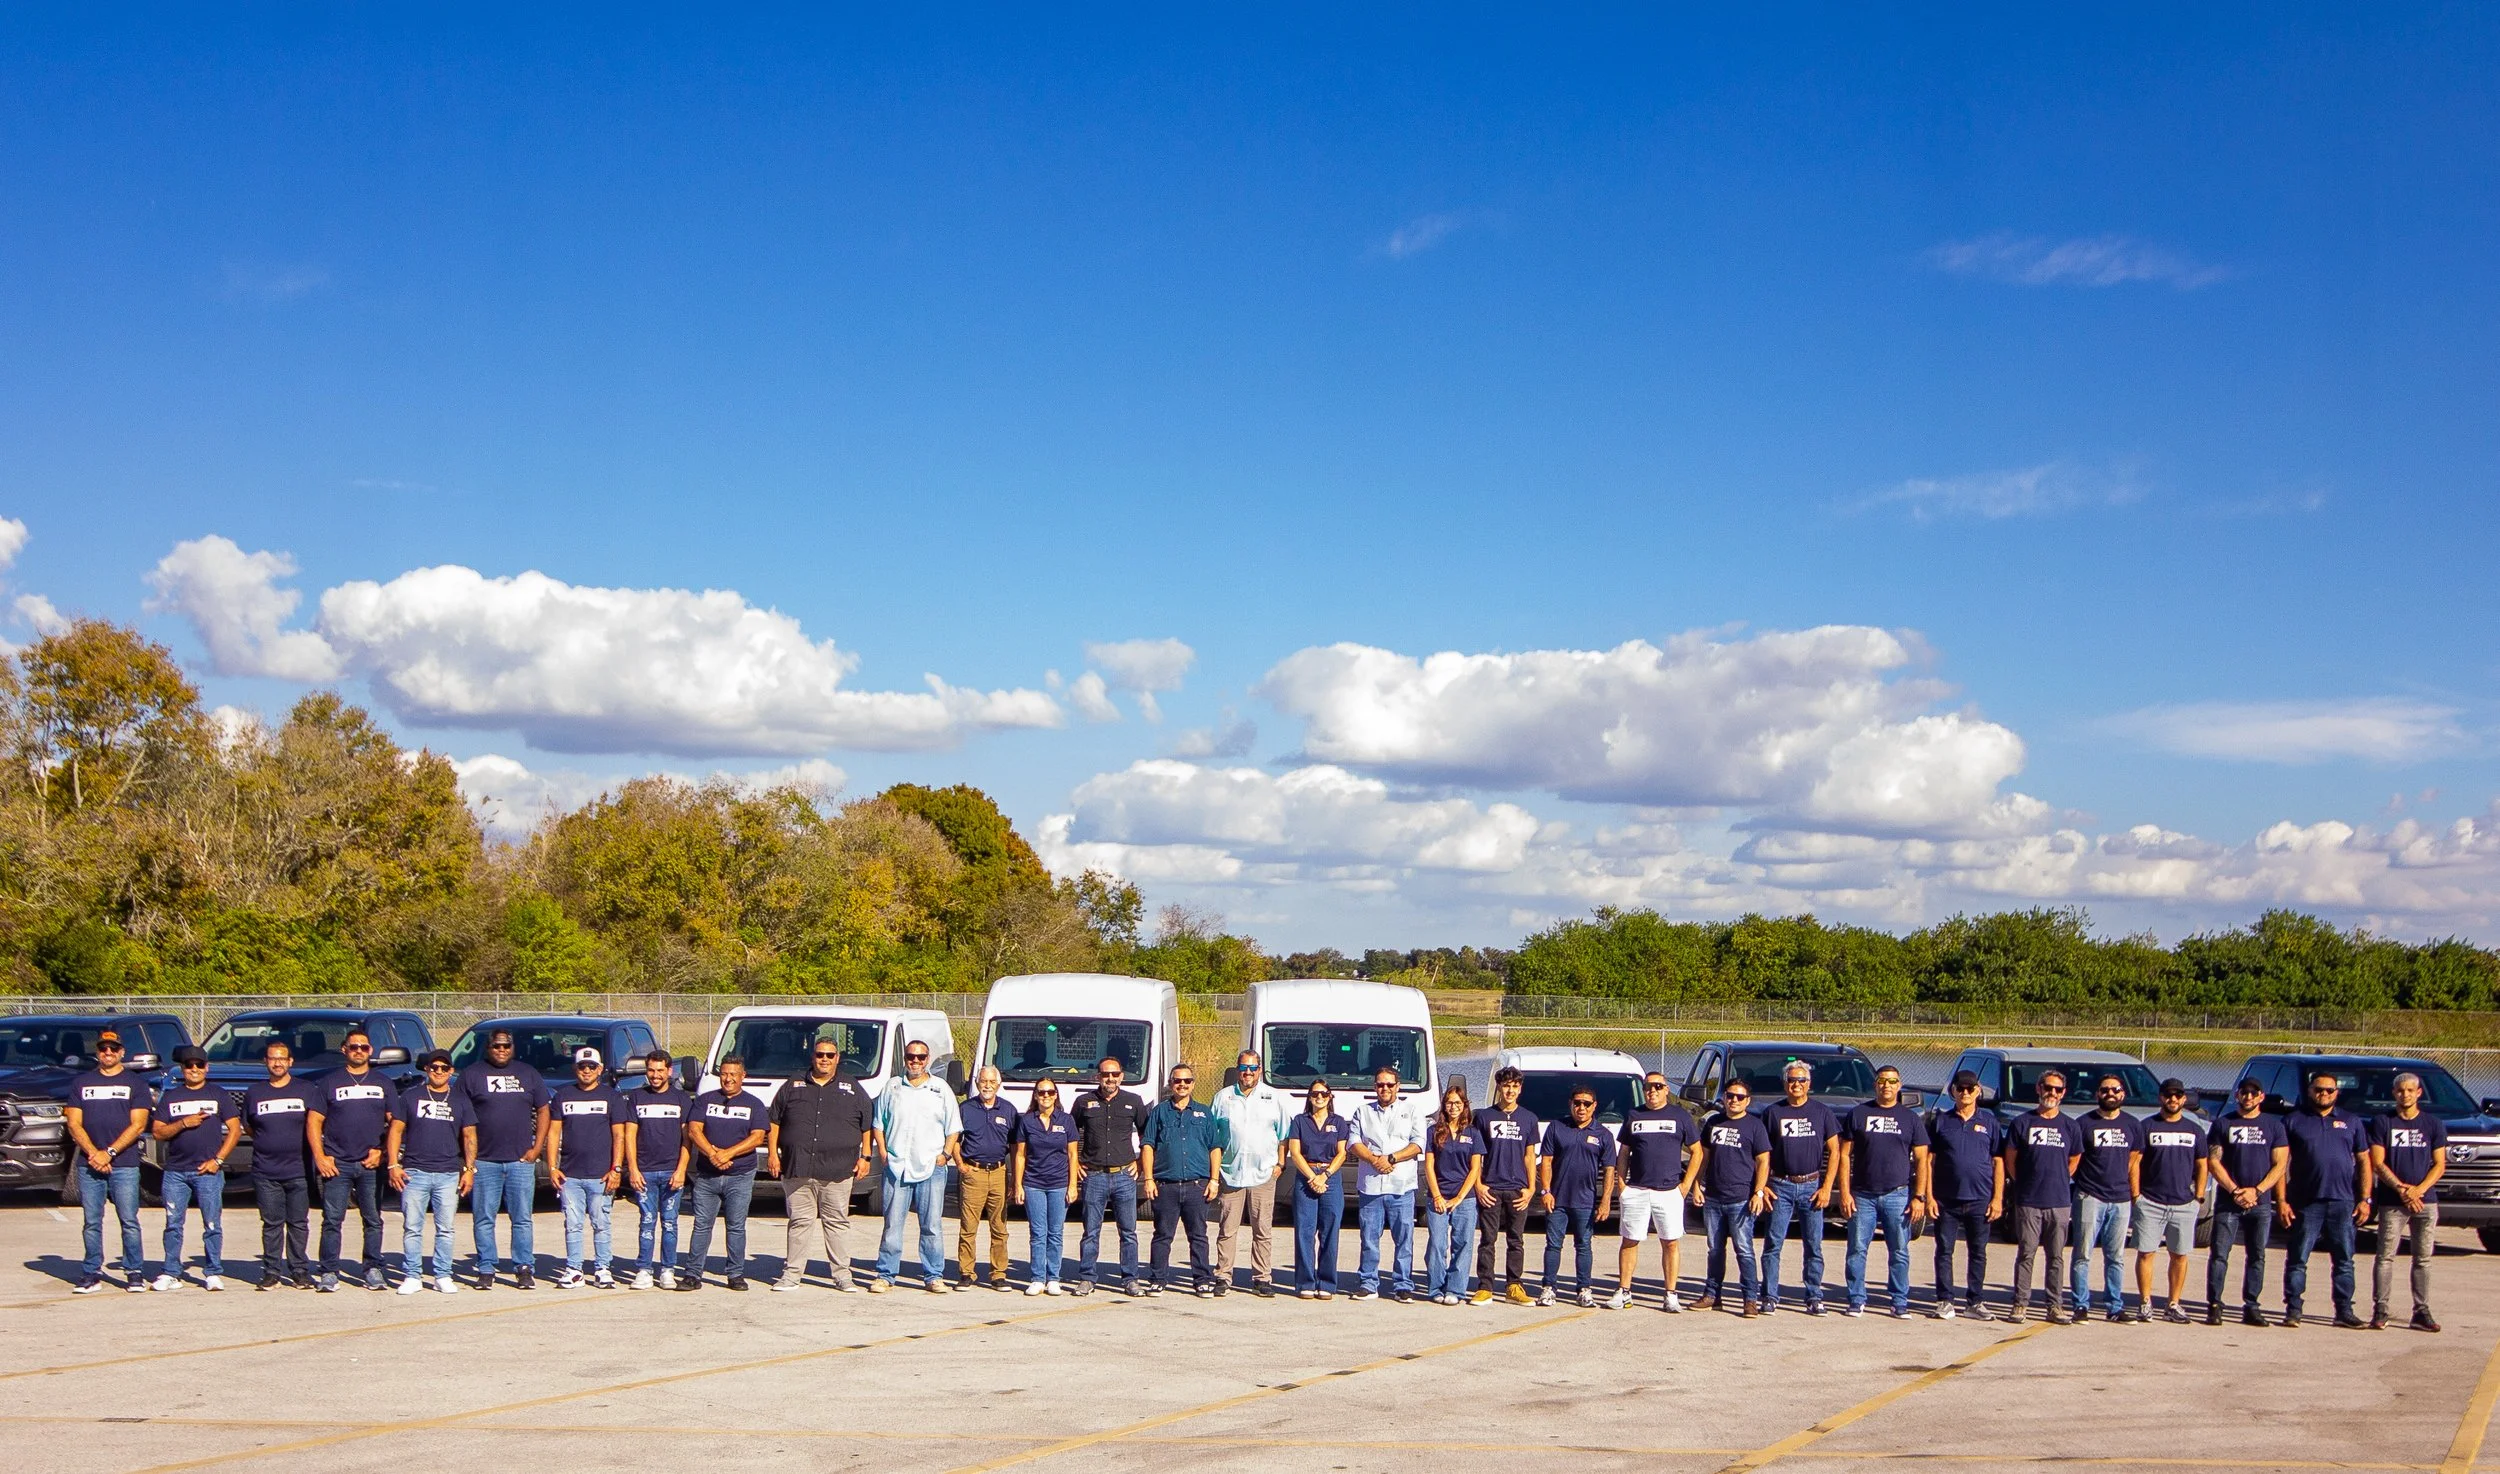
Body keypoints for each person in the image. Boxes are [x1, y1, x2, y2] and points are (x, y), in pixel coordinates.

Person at [764, 1035, 875, 1293]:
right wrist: (772, 1154)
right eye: (820, 1054)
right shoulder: (793, 1084)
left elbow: (867, 1123)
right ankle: (791, 1276)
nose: (824, 1059)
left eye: (829, 1055)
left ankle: (843, 1276)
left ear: (837, 1058)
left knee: (836, 1223)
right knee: (799, 1223)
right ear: (812, 1056)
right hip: (798, 1168)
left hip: (837, 1170)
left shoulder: (851, 1086)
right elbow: (774, 1121)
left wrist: (866, 1156)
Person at [307, 1027, 398, 1292]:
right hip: (337, 1164)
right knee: (332, 1220)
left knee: (373, 1220)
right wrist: (320, 1157)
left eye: (364, 1047)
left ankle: (372, 1269)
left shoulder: (383, 1083)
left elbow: (396, 1122)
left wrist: (382, 1151)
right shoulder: (329, 1082)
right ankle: (329, 1271)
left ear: (371, 1051)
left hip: (370, 1164)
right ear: (344, 1050)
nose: (359, 1051)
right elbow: (314, 1121)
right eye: (354, 1047)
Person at [2279, 1070, 2371, 1329]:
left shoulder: (2351, 1121)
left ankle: (2344, 1311)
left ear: (2336, 1093)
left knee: (2344, 1260)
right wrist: (2282, 1200)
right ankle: (2293, 1310)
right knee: (2298, 1259)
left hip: (2343, 1202)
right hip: (2306, 1202)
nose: (2324, 1094)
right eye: (2318, 1089)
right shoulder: (2294, 1121)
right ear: (2309, 1091)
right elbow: (2280, 1163)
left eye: (2329, 1090)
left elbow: (2364, 1161)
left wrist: (2365, 1199)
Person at [460, 1028, 550, 1290]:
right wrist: (468, 1161)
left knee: (522, 1218)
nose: (501, 1050)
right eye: (496, 1046)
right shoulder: (472, 1075)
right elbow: (461, 1116)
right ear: (488, 1047)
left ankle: (524, 1267)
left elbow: (544, 1110)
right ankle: (486, 1268)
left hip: (520, 1161)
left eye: (506, 1046)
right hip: (484, 1161)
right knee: (483, 1218)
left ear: (513, 1047)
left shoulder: (527, 1073)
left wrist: (537, 1147)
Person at [65, 1027, 154, 1294]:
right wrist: (94, 1153)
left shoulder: (135, 1084)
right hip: (90, 1163)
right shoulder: (82, 1083)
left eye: (113, 1049)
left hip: (124, 1164)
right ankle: (91, 1273)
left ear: (121, 1052)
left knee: (128, 1220)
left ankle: (134, 1272)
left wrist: (110, 1153)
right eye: (103, 1048)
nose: (108, 1052)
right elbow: (74, 1123)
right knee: (92, 1221)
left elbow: (138, 1125)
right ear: (97, 1052)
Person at [1838, 1064, 1930, 1319]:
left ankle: (1899, 1301)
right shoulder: (1858, 1114)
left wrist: (1919, 1196)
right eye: (1882, 1081)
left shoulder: (1910, 1118)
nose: (1886, 1086)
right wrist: (1845, 1193)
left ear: (1899, 1085)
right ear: (1875, 1084)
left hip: (1897, 1195)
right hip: (1863, 1195)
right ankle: (1856, 1299)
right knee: (1857, 1249)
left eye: (1891, 1081)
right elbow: (1844, 1156)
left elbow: (1922, 1160)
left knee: (1899, 1250)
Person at [873, 1040, 962, 1293]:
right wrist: (883, 1153)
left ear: (927, 1059)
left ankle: (933, 1275)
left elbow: (953, 1127)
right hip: (897, 1166)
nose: (915, 1061)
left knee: (931, 1226)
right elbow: (878, 1123)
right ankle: (885, 1274)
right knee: (892, 1224)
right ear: (905, 1058)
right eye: (911, 1056)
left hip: (931, 1167)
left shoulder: (940, 1089)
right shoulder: (892, 1087)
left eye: (921, 1057)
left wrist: (945, 1154)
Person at [151, 1044, 240, 1291]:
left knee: (212, 1224)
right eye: (189, 1065)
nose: (194, 1069)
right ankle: (171, 1272)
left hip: (208, 1171)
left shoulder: (218, 1094)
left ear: (206, 1068)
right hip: (176, 1172)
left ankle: (212, 1272)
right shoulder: (171, 1096)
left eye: (199, 1065)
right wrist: (183, 1123)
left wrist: (218, 1160)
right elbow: (157, 1132)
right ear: (182, 1069)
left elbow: (235, 1129)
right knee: (173, 1224)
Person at [387, 1050, 475, 1295]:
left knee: (445, 1228)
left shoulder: (460, 1100)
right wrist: (393, 1164)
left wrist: (469, 1169)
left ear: (451, 1071)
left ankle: (443, 1275)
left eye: (444, 1068)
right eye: (434, 1067)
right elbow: (395, 1131)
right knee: (412, 1227)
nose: (439, 1071)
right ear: (426, 1069)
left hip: (448, 1173)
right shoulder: (411, 1096)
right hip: (415, 1172)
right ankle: (412, 1275)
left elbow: (469, 1136)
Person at [1758, 1061, 1842, 1315]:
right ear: (1785, 1083)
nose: (1796, 1085)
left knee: (1813, 1245)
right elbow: (1761, 1153)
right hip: (1780, 1186)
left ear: (1809, 1084)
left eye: (1801, 1080)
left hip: (1811, 1187)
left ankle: (1814, 1296)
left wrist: (1827, 1187)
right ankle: (1769, 1296)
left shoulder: (1822, 1112)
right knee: (1773, 1244)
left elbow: (1835, 1151)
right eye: (1792, 1080)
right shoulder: (1773, 1113)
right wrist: (1763, 1186)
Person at [2206, 1076, 2289, 1326]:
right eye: (2245, 1092)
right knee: (2220, 1255)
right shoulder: (2223, 1123)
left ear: (2261, 1096)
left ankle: (2251, 1306)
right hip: (2228, 1202)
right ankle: (2214, 1305)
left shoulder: (2274, 1126)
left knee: (2257, 1255)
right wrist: (2235, 1190)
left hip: (2259, 1204)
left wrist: (2257, 1191)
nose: (2249, 1097)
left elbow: (2280, 1165)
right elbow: (2213, 1161)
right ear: (2237, 1095)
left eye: (2254, 1093)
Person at [1923, 1070, 2005, 1320]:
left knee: (1978, 1251)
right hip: (1946, 1200)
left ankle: (1975, 1302)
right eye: (1961, 1088)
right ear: (1953, 1091)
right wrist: (1929, 1196)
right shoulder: (1941, 1121)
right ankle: (1945, 1300)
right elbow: (1928, 1160)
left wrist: (1997, 1198)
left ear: (1978, 1091)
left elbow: (1998, 1161)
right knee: (1944, 1250)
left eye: (1970, 1089)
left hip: (1980, 1199)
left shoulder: (1989, 1122)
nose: (1965, 1093)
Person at [1615, 1072, 1700, 1313]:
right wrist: (1621, 1184)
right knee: (1629, 1240)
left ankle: (1671, 1294)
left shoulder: (1680, 1115)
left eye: (1658, 1086)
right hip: (1637, 1190)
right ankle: (1624, 1291)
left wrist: (1685, 1185)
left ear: (1666, 1090)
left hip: (1669, 1191)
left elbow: (1697, 1151)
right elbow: (1624, 1152)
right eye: (1648, 1087)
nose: (1652, 1091)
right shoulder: (1634, 1115)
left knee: (1670, 1242)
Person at [2368, 1072, 2447, 1332]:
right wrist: (2402, 1190)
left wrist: (2418, 1191)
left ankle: (2421, 1311)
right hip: (2393, 1202)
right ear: (2394, 1093)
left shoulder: (2433, 1124)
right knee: (2385, 1257)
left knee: (2423, 1258)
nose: (2405, 1095)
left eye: (2410, 1090)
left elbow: (2439, 1164)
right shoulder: (2383, 1122)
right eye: (2400, 1090)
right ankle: (2381, 1310)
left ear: (2419, 1093)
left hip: (2425, 1202)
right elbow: (2377, 1162)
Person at [2002, 1069, 2082, 1324]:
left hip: (2059, 1201)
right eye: (2048, 1087)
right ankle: (2020, 1304)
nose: (2052, 1093)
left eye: (2057, 1089)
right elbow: (2010, 1159)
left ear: (2063, 1093)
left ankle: (2054, 1306)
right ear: (2038, 1089)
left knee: (2056, 1256)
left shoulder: (2070, 1126)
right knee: (2026, 1253)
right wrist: (2023, 1183)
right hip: (2028, 1201)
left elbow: (2074, 1160)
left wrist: (2058, 1179)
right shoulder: (2022, 1122)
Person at [1210, 1050, 1291, 1297]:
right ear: (1237, 1069)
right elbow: (1212, 1138)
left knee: (1262, 1230)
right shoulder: (1223, 1097)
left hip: (1263, 1174)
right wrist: (1215, 1172)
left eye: (1253, 1068)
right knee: (1227, 1229)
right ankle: (1223, 1276)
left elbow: (1284, 1135)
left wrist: (1280, 1164)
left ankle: (1261, 1278)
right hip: (1231, 1173)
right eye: (1244, 1067)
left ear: (1260, 1070)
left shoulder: (1273, 1097)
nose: (1248, 1072)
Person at [681, 1056, 767, 1291]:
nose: (728, 1079)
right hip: (707, 1176)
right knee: (702, 1225)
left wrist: (728, 1153)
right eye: (724, 1074)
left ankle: (735, 1274)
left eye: (733, 1075)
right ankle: (692, 1274)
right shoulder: (705, 1100)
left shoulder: (754, 1104)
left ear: (743, 1076)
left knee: (736, 1226)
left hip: (740, 1175)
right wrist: (712, 1154)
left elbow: (757, 1137)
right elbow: (694, 1130)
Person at [2068, 1073, 2144, 1322]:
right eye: (2105, 1090)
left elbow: (2134, 1161)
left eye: (2115, 1090)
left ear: (2123, 1094)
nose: (2110, 1094)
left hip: (2120, 1199)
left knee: (2116, 1257)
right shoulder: (2083, 1123)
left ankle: (2114, 1306)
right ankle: (2081, 1305)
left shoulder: (2132, 1125)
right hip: (2090, 1196)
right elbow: (2074, 1159)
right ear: (2097, 1094)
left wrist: (2134, 1194)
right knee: (2082, 1254)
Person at [1142, 1064, 1223, 1295]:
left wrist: (1214, 1180)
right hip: (1165, 1185)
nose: (1182, 1085)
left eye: (1187, 1081)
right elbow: (1148, 1145)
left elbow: (1215, 1147)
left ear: (1193, 1084)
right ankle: (1157, 1279)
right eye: (1178, 1081)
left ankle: (1202, 1280)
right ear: (1171, 1084)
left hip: (1197, 1185)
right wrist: (1148, 1179)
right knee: (1162, 1235)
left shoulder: (1204, 1113)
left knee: (1198, 1236)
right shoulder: (1159, 1112)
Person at [548, 1047, 626, 1288]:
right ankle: (574, 1270)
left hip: (601, 1175)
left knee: (601, 1223)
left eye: (592, 1066)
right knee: (572, 1224)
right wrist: (552, 1167)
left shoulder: (611, 1097)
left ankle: (603, 1269)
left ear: (600, 1069)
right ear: (576, 1068)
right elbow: (553, 1133)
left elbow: (619, 1135)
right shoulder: (563, 1096)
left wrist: (616, 1169)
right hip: (570, 1175)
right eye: (582, 1066)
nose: (587, 1071)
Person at [2131, 1079, 2207, 1324]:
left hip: (2184, 1203)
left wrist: (2199, 1196)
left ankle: (2173, 1304)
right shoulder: (2147, 1126)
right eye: (2168, 1095)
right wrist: (2136, 1195)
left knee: (2180, 1255)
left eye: (2177, 1095)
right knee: (2146, 1253)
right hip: (2151, 1202)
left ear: (2184, 1099)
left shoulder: (2194, 1129)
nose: (2172, 1099)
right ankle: (2145, 1303)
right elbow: (2135, 1162)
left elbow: (2202, 1164)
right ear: (2160, 1098)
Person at [1072, 1057, 1150, 1296]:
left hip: (1124, 1176)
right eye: (1106, 1074)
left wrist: (1140, 1163)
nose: (1110, 1079)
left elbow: (1148, 1136)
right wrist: (1074, 1164)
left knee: (1128, 1232)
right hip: (1094, 1176)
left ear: (1121, 1076)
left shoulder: (1133, 1101)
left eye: (1115, 1074)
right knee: (1090, 1232)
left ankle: (1130, 1279)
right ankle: (1087, 1278)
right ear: (1098, 1076)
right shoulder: (1083, 1102)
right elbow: (1069, 1136)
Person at [1351, 1066, 1428, 1303]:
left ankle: (1403, 1285)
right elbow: (1354, 1142)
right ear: (1375, 1087)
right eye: (1380, 1084)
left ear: (1398, 1086)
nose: (1385, 1088)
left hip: (1401, 1186)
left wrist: (1391, 1158)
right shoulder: (1363, 1111)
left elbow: (1418, 1143)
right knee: (1369, 1239)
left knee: (1404, 1240)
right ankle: (1368, 1283)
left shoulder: (1412, 1111)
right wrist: (1375, 1160)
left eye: (1389, 1084)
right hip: (1371, 1186)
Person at [244, 1040, 316, 1291]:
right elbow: (249, 1126)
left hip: (298, 1170)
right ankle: (271, 1272)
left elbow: (315, 1125)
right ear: (265, 1061)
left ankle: (299, 1272)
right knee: (272, 1224)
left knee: (298, 1223)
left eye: (282, 1058)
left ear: (290, 1062)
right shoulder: (255, 1092)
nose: (277, 1063)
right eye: (272, 1058)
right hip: (265, 1171)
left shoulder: (306, 1090)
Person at [1695, 1081, 1772, 1316]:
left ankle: (1750, 1299)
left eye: (1739, 1097)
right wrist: (1696, 1185)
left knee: (1744, 1250)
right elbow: (1703, 1157)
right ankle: (1712, 1295)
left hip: (1741, 1199)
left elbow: (1763, 1161)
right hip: (1713, 1198)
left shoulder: (1755, 1126)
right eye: (1730, 1096)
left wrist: (1758, 1192)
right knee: (1715, 1250)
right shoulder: (1713, 1123)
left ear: (1747, 1100)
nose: (1734, 1101)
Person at [1537, 1088, 1618, 1308]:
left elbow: (1610, 1170)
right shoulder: (1557, 1127)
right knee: (1553, 1245)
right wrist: (1546, 1191)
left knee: (1583, 1245)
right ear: (1570, 1103)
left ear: (1594, 1106)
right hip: (1557, 1200)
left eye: (1587, 1104)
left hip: (1585, 1201)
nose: (1581, 1108)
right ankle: (1548, 1288)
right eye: (1577, 1103)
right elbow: (1546, 1161)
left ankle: (1584, 1289)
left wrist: (1605, 1201)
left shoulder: (1603, 1134)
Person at [1471, 1066, 1541, 1305]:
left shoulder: (1529, 1118)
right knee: (1487, 1239)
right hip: (1491, 1187)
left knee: (1516, 1240)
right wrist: (1479, 1185)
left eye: (1515, 1086)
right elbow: (1476, 1155)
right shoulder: (1484, 1116)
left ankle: (1514, 1286)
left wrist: (1531, 1188)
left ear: (1520, 1089)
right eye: (1506, 1086)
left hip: (1518, 1189)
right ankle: (1485, 1287)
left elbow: (1530, 1156)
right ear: (1499, 1087)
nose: (1510, 1090)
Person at [623, 1051, 691, 1290]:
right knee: (647, 1221)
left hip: (672, 1172)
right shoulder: (636, 1097)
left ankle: (668, 1270)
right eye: (651, 1070)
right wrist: (633, 1169)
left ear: (670, 1071)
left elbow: (688, 1139)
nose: (655, 1075)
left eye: (660, 1070)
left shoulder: (681, 1099)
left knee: (670, 1223)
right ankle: (644, 1269)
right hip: (645, 1173)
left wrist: (681, 1170)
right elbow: (629, 1135)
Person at [956, 1066, 1018, 1291]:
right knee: (968, 1226)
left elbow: (1015, 1146)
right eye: (983, 1081)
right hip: (973, 1173)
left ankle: (998, 1274)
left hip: (999, 1172)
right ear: (977, 1083)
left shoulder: (1008, 1110)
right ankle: (966, 1273)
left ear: (998, 1084)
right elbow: (954, 1139)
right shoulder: (965, 1109)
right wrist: (961, 1165)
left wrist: (1014, 1178)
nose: (987, 1086)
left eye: (992, 1082)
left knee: (999, 1227)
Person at [1013, 1077, 1077, 1294]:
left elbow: (1072, 1155)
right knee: (1038, 1233)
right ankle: (1038, 1278)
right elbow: (1020, 1155)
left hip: (1059, 1184)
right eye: (1041, 1092)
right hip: (1034, 1184)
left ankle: (1053, 1278)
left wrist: (1072, 1185)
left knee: (1055, 1232)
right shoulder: (1026, 1121)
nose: (1046, 1096)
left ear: (1056, 1095)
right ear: (1035, 1095)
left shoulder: (1066, 1120)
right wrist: (1018, 1185)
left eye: (1050, 1092)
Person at [1286, 1082, 1349, 1299]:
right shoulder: (1299, 1121)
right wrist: (1312, 1177)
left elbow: (1342, 1153)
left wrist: (1325, 1175)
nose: (1319, 1097)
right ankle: (1305, 1282)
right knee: (1304, 1231)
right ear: (1309, 1097)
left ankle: (1327, 1283)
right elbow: (1295, 1153)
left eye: (1323, 1093)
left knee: (1330, 1231)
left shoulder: (1338, 1122)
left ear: (1330, 1096)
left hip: (1330, 1177)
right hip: (1306, 1177)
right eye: (1315, 1094)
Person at [1424, 1081, 1484, 1306]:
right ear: (1444, 1106)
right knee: (1437, 1244)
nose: (1453, 1107)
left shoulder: (1473, 1133)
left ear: (1465, 1105)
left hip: (1465, 1199)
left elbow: (1475, 1169)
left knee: (1463, 1243)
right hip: (1438, 1196)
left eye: (1458, 1103)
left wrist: (1459, 1198)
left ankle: (1456, 1289)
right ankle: (1436, 1287)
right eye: (1449, 1103)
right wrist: (1437, 1196)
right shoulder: (1433, 1131)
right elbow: (1429, 1165)